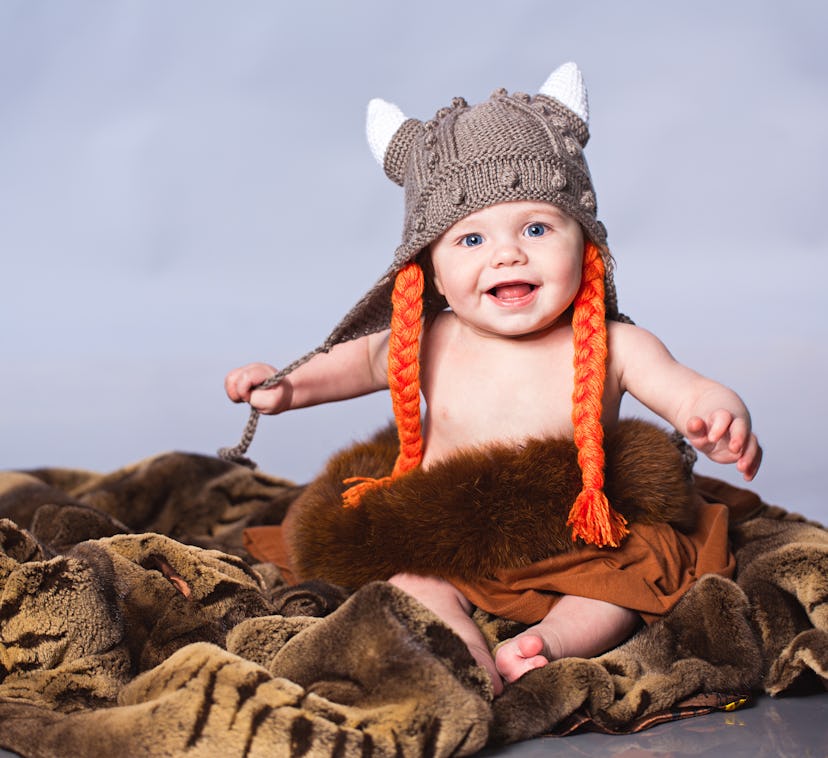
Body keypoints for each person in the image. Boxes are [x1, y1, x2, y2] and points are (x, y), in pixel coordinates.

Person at [223, 63, 761, 695]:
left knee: (629, 577)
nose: (507, 254)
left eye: (536, 229)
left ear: (583, 243)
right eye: (471, 238)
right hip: (455, 531)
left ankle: (551, 640)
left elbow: (685, 389)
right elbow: (357, 362)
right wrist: (285, 386)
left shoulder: (619, 344)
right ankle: (461, 639)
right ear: (430, 271)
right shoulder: (434, 336)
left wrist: (717, 413)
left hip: (578, 532)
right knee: (413, 579)